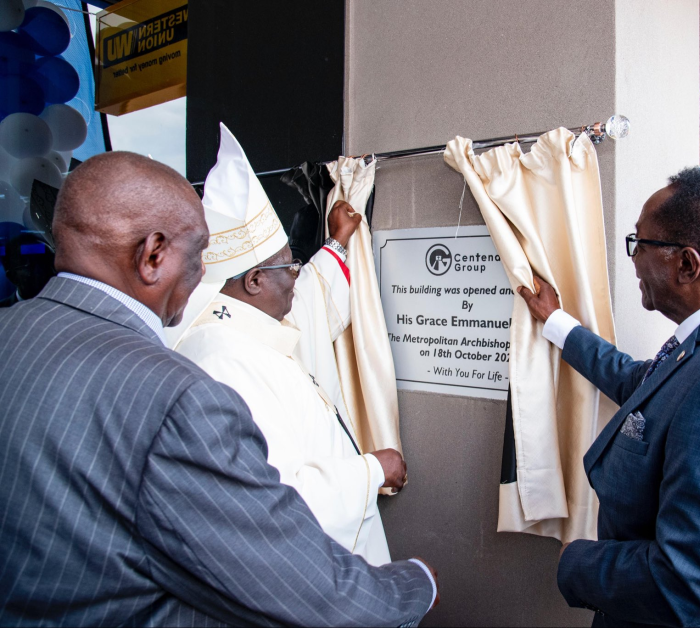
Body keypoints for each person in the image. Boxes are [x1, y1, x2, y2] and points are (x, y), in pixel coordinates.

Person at [0, 151, 438, 626]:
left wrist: (335, 244)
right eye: (197, 259)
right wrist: (415, 584)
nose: (202, 282)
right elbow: (278, 569)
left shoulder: (11, 331)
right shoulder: (182, 395)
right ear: (153, 255)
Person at [519, 167, 700, 626]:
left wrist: (575, 561)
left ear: (687, 265)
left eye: (639, 243)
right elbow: (645, 383)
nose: (633, 259)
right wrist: (557, 323)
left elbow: (686, 582)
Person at [170, 125, 401, 566]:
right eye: (289, 266)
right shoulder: (226, 366)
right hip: (309, 570)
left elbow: (309, 291)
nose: (297, 275)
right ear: (255, 281)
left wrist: (337, 242)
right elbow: (275, 500)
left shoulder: (241, 325)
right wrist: (372, 470)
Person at [0, 232, 56, 307]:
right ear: (12, 277)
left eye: (49, 260)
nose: (48, 270)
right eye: (32, 265)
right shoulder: (2, 311)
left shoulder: (68, 302)